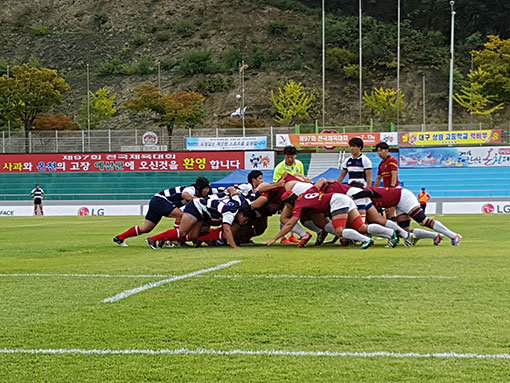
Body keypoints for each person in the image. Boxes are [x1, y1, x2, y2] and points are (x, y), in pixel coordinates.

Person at [113, 177, 211, 247]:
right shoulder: (191, 189)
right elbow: (185, 195)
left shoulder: (196, 192)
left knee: (146, 228)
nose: (207, 190)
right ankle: (178, 240)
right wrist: (198, 200)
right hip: (160, 201)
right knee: (182, 215)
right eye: (206, 188)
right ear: (200, 188)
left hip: (156, 201)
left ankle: (120, 237)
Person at [352, 186, 462, 246]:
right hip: (397, 203)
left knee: (423, 221)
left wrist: (353, 196)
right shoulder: (369, 201)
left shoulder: (366, 192)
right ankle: (436, 236)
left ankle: (454, 235)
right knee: (404, 231)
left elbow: (369, 192)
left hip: (403, 197)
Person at [272, 145, 307, 244]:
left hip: (296, 194)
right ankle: (283, 238)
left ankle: (292, 236)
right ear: (284, 156)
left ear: (295, 156)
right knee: (285, 215)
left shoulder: (299, 164)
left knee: (294, 214)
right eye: (288, 157)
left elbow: (301, 178)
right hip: (284, 194)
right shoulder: (279, 167)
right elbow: (276, 183)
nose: (290, 159)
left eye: (292, 157)